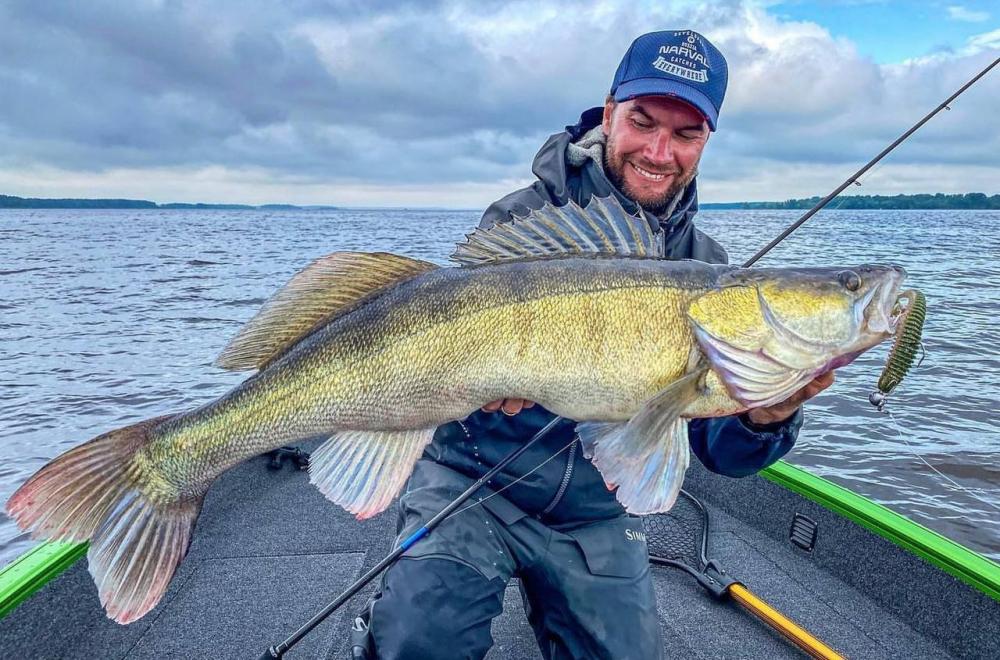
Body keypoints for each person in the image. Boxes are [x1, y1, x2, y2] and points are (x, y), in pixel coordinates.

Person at [354, 29, 834, 659]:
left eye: (686, 134)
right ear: (609, 114)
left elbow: (716, 450)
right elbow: (440, 343)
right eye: (642, 120)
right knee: (419, 642)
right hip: (470, 484)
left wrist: (768, 415)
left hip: (594, 509)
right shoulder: (524, 219)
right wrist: (475, 391)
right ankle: (393, 610)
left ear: (707, 141)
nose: (660, 151)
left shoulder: (709, 268)